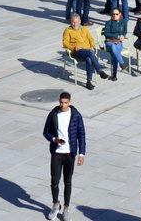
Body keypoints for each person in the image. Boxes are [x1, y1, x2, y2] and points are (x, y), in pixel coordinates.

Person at [42, 91, 85, 221]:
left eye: (65, 103)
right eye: (61, 102)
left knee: (68, 181)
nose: (63, 105)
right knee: (54, 182)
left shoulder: (76, 116)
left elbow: (81, 135)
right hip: (56, 153)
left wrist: (81, 153)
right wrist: (54, 139)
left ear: (69, 103)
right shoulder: (53, 114)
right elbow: (45, 132)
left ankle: (66, 208)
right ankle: (56, 204)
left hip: (69, 154)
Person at [62, 13, 105, 90]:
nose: (75, 24)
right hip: (77, 52)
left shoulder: (84, 28)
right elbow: (65, 43)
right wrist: (73, 48)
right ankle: (99, 70)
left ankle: (88, 82)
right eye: (73, 22)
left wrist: (92, 46)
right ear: (71, 22)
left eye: (76, 22)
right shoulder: (68, 30)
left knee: (89, 58)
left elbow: (91, 39)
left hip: (88, 51)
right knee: (90, 53)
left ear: (80, 22)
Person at [100, 8, 127, 82]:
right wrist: (117, 36)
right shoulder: (109, 22)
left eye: (116, 14)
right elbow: (106, 33)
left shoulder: (123, 22)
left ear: (120, 14)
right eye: (113, 14)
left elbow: (124, 31)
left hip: (118, 42)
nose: (115, 16)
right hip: (109, 42)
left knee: (115, 52)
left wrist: (123, 36)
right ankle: (122, 64)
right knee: (113, 47)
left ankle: (114, 74)